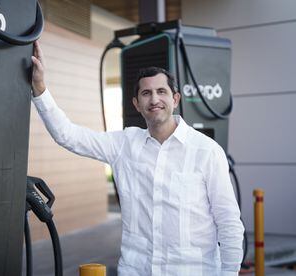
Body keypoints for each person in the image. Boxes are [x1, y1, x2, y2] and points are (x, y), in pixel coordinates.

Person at [30, 41, 244, 276]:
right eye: (146, 93)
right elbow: (68, 135)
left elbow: (229, 223)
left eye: (161, 91)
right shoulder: (124, 145)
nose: (154, 99)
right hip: (137, 270)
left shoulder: (206, 152)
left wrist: (229, 273)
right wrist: (39, 87)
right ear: (136, 104)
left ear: (175, 99)